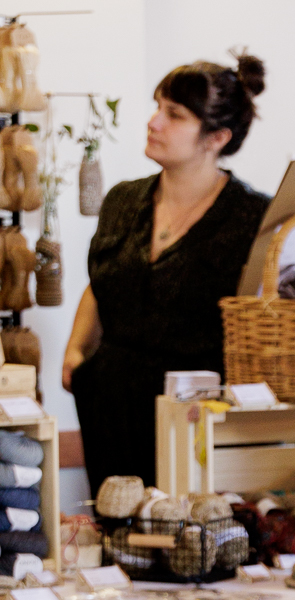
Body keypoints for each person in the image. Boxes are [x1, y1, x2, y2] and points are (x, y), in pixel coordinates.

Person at [63, 52, 270, 496]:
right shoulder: (123, 200)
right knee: (117, 529)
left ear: (216, 136)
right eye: (157, 106)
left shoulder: (254, 216)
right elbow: (106, 280)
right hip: (110, 402)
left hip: (194, 415)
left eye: (173, 114)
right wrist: (77, 351)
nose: (154, 122)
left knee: (188, 539)